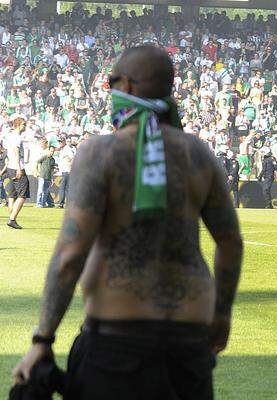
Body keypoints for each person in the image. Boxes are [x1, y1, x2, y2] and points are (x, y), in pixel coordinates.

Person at [12, 46, 244, 400]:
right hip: (188, 345)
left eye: (111, 83)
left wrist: (42, 340)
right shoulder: (198, 154)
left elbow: (70, 255)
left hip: (116, 345)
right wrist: (223, 315)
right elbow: (230, 242)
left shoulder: (100, 152)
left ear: (129, 87)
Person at [4, 113, 30, 229]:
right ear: (19, 125)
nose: (25, 126)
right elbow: (15, 151)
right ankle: (12, 219)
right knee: (23, 194)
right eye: (24, 124)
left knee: (15, 193)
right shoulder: (17, 137)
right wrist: (19, 168)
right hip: (16, 167)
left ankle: (12, 215)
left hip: (11, 167)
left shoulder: (10, 135)